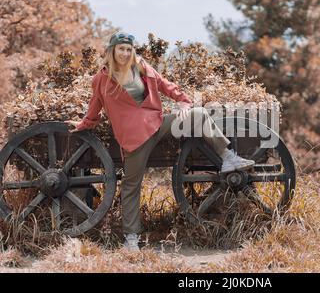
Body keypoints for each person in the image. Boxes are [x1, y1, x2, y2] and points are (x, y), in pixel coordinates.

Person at [65, 31, 255, 251]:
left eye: (129, 49)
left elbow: (167, 86)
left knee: (199, 114)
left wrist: (183, 103)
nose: (125, 53)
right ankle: (131, 239)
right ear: (112, 51)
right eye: (121, 49)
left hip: (157, 124)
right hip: (134, 138)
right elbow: (94, 109)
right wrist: (82, 125)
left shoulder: (142, 68)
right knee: (130, 186)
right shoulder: (102, 78)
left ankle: (228, 157)